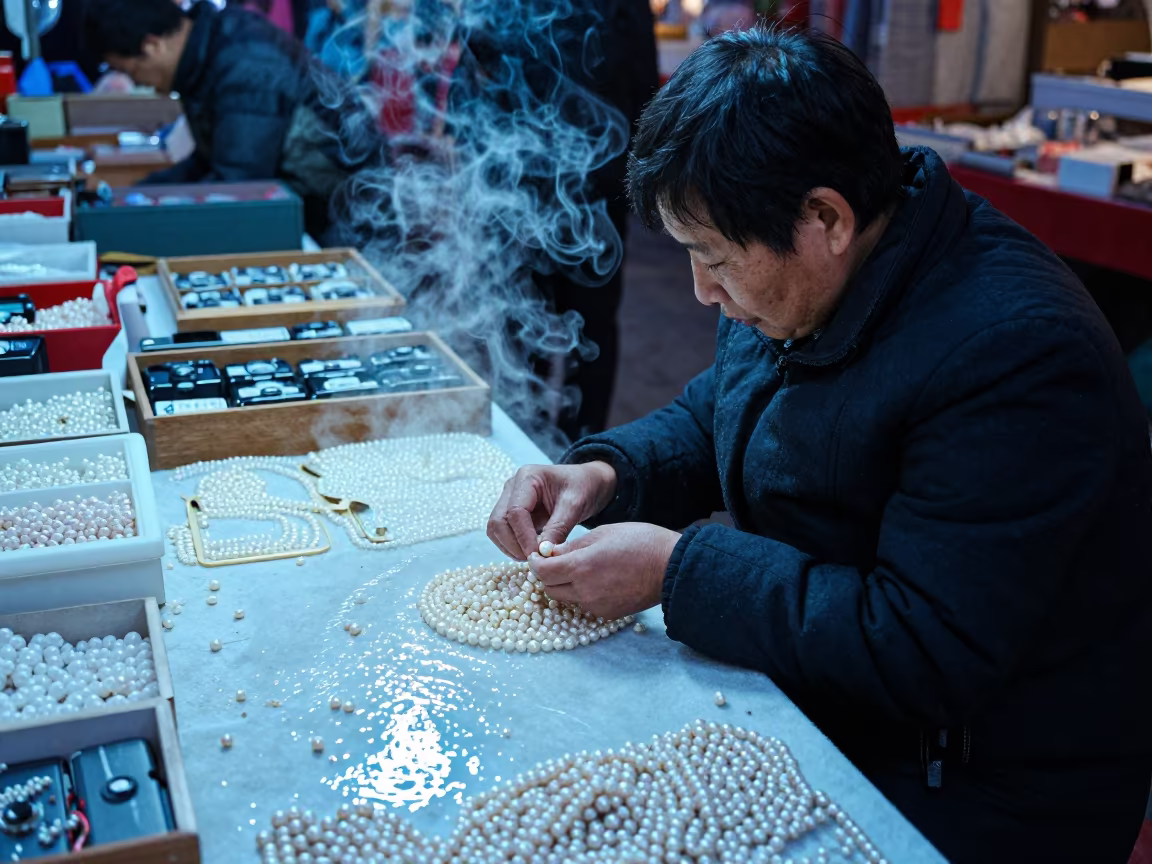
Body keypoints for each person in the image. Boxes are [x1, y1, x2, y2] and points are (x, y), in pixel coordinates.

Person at [487, 25, 1152, 864]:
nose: (701, 292)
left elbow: (921, 646)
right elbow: (722, 410)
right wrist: (605, 474)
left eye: (714, 258)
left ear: (825, 218)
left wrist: (675, 570)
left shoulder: (1016, 356)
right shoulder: (803, 279)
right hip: (848, 700)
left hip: (980, 780)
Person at [455, 0, 660, 440]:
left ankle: (566, 445)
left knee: (569, 327)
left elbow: (643, 92)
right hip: (534, 189)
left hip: (563, 188)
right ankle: (543, 440)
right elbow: (473, 68)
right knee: (535, 323)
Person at [80, 0, 386, 241]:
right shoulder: (208, 49)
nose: (140, 84)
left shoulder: (245, 62)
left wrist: (138, 218)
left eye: (131, 72)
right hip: (309, 210)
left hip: (353, 219)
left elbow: (238, 185)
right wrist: (129, 199)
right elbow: (209, 163)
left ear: (152, 45)